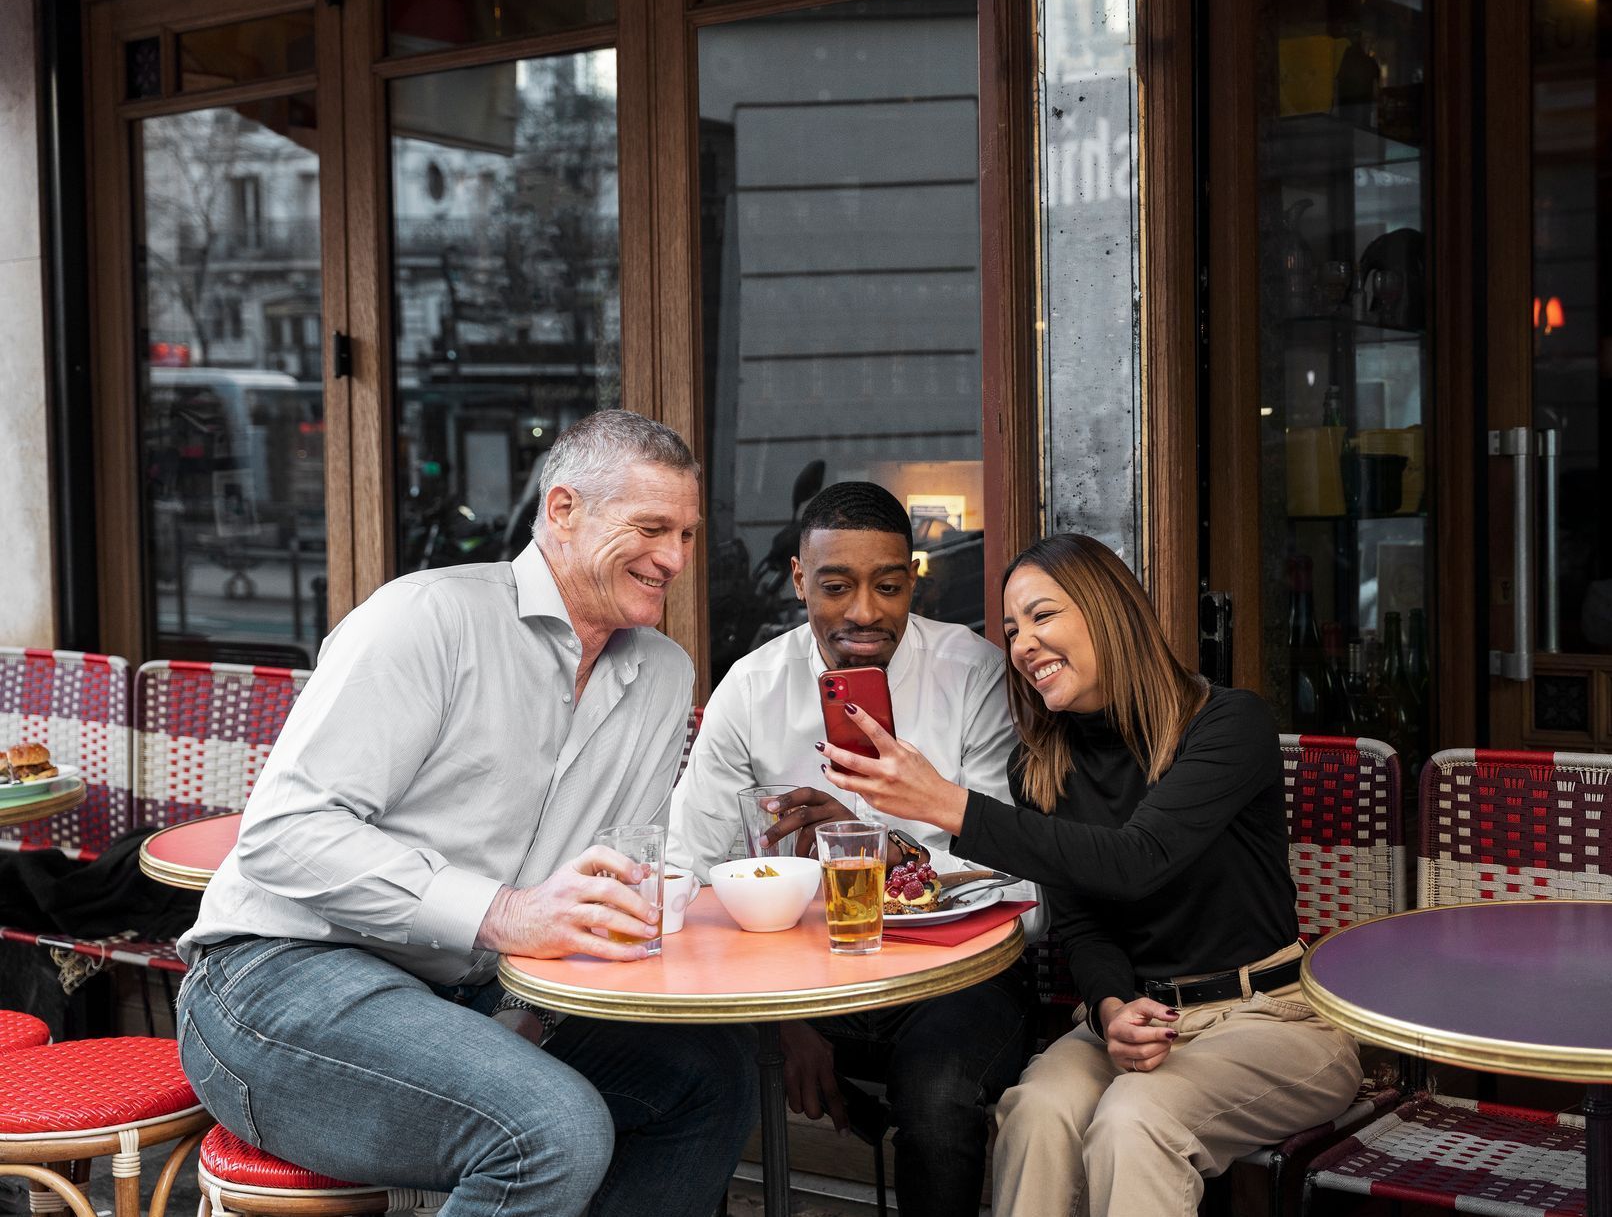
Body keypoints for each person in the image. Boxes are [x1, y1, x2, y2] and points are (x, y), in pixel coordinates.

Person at [176, 410, 757, 1217]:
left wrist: (528, 1009)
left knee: (714, 1075)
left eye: (688, 534)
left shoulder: (662, 674)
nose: (676, 558)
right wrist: (504, 914)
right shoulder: (427, 618)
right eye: (653, 527)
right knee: (554, 1127)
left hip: (472, 994)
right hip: (275, 979)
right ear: (562, 511)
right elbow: (283, 834)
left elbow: (603, 881)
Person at [816, 533, 1363, 1216]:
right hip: (1137, 1016)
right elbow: (1081, 916)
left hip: (1272, 1017)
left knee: (1135, 1119)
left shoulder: (1228, 723)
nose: (1022, 645)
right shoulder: (1043, 765)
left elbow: (1139, 860)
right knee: (1037, 1109)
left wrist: (945, 804)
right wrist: (1109, 1010)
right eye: (1012, 629)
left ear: (1109, 611)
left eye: (1043, 616)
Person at [668, 480, 1040, 1217]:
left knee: (938, 1094)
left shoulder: (971, 675)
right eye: (837, 585)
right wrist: (782, 1019)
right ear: (802, 578)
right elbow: (690, 870)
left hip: (953, 981)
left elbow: (1022, 893)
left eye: (889, 584)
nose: (865, 611)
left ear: (913, 579)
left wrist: (873, 845)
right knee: (683, 1073)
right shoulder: (754, 688)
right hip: (793, 982)